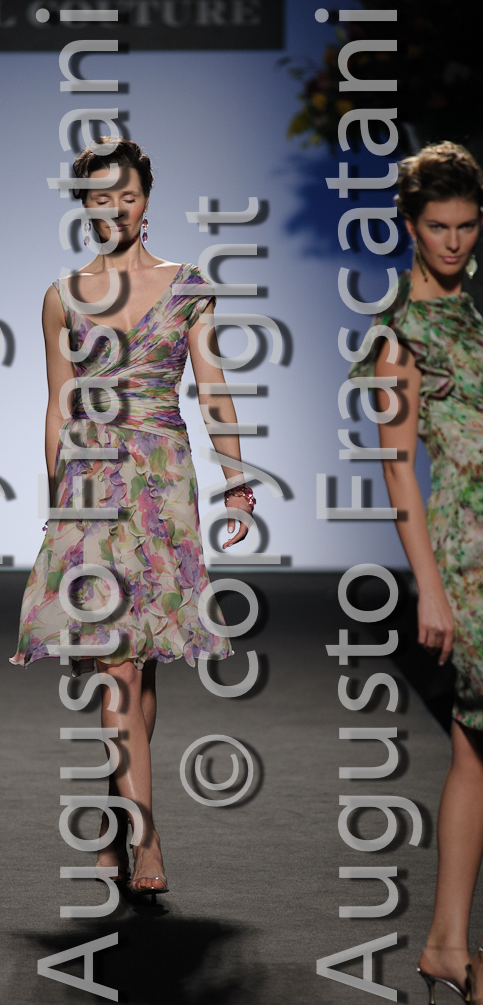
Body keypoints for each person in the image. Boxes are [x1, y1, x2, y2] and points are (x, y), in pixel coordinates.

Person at [9, 137, 256, 899]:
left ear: (146, 197)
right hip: (92, 484)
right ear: (82, 205)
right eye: (99, 196)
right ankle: (145, 836)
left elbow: (212, 387)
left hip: (162, 484)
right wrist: (58, 497)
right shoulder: (62, 294)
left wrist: (237, 483)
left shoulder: (188, 287)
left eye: (127, 193)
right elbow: (57, 404)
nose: (115, 207)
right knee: (113, 663)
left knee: (138, 662)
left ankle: (117, 822)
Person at [350, 141, 483, 1002]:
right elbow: (398, 467)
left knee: (474, 748)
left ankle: (444, 944)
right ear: (408, 226)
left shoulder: (472, 315)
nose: (454, 242)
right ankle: (447, 942)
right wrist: (427, 586)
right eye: (438, 227)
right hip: (467, 550)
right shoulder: (400, 333)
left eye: (467, 226)